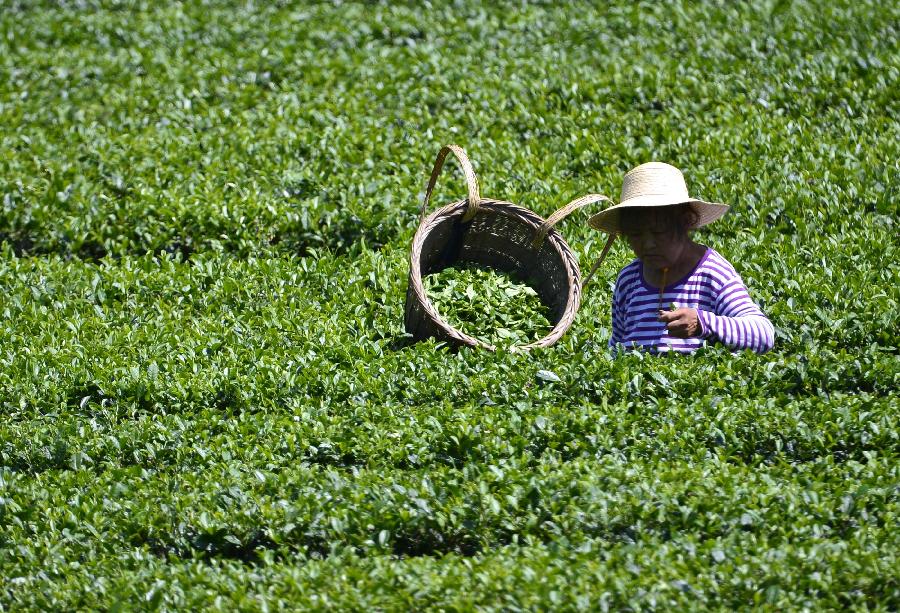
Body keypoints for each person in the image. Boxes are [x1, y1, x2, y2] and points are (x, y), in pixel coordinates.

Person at [586, 162, 774, 354]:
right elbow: (616, 349)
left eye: (659, 232)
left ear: (686, 222)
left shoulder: (712, 273)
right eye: (636, 234)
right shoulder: (629, 280)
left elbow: (763, 333)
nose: (648, 244)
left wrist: (703, 323)